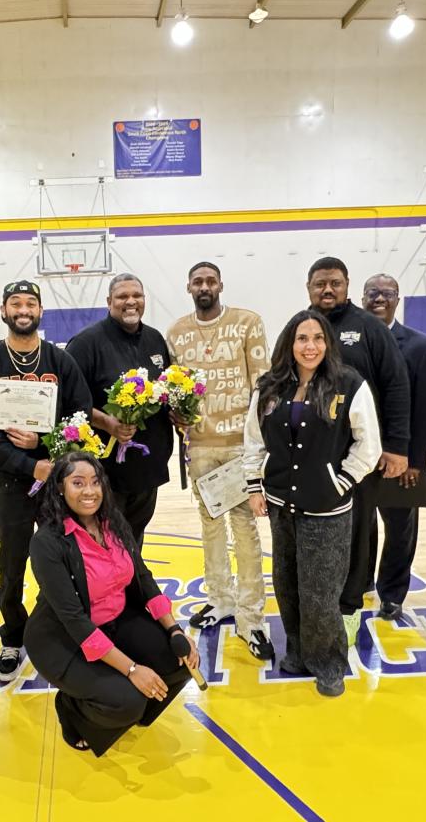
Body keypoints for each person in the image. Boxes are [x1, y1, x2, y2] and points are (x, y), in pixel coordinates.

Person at [243, 310, 381, 697]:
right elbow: (253, 441)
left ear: (328, 344)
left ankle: (330, 663)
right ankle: (299, 651)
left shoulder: (348, 384)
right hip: (280, 504)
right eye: (302, 338)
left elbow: (368, 445)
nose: (310, 346)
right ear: (289, 343)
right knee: (287, 584)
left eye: (318, 338)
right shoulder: (269, 387)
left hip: (326, 507)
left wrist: (341, 482)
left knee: (320, 590)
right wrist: (255, 487)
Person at [24, 452, 198, 756]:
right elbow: (74, 619)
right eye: (77, 483)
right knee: (126, 701)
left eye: (95, 482)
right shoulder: (47, 542)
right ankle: (72, 708)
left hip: (114, 621)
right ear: (60, 489)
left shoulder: (113, 523)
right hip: (64, 638)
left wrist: (175, 631)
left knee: (179, 662)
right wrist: (131, 670)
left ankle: (124, 711)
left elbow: (143, 579)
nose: (89, 491)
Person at [0, 280, 93, 683]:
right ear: (4, 310)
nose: (24, 309)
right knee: (12, 562)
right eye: (16, 303)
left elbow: (82, 413)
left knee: (65, 560)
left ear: (40, 311)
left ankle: (63, 629)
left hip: (58, 481)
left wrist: (48, 449)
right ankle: (13, 638)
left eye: (31, 303)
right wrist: (29, 465)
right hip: (14, 483)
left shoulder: (59, 360)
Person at [166, 261, 274, 661]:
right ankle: (221, 599)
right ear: (189, 287)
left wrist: (259, 446)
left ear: (221, 285)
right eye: (198, 281)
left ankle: (252, 619)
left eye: (211, 280)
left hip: (239, 447)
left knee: (245, 530)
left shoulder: (248, 322)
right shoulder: (176, 332)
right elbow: (173, 389)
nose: (205, 286)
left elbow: (262, 386)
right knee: (210, 526)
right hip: (200, 446)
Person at [306, 256, 409, 644]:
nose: (327, 290)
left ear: (347, 285)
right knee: (317, 531)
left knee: (357, 530)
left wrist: (396, 448)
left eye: (334, 283)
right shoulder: (303, 327)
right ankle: (318, 602)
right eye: (320, 284)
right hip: (312, 453)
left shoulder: (369, 328)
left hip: (359, 456)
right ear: (309, 288)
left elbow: (397, 386)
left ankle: (349, 609)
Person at [65, 273, 173, 548]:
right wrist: (107, 423)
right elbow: (70, 402)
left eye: (137, 296)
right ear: (109, 302)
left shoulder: (154, 339)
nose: (130, 302)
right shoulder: (86, 344)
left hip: (147, 468)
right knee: (104, 543)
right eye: (122, 297)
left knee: (134, 542)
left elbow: (166, 391)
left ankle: (132, 590)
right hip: (104, 472)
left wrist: (179, 412)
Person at [361, 275, 426, 620]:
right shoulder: (346, 341)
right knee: (359, 526)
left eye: (387, 293)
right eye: (372, 293)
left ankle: (392, 593)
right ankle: (360, 581)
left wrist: (416, 461)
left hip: (402, 457)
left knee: (400, 528)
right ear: (362, 298)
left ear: (398, 299)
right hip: (356, 457)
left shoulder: (422, 346)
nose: (379, 298)